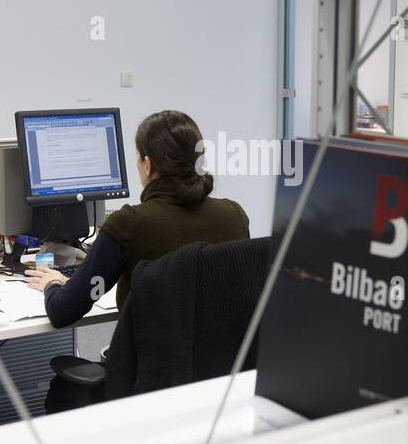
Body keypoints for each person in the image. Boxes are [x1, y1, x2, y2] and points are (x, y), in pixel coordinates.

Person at [25, 110, 249, 327]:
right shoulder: (234, 215)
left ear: (147, 164)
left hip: (150, 365)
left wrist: (53, 283)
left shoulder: (129, 224)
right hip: (229, 364)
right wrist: (85, 272)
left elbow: (63, 311)